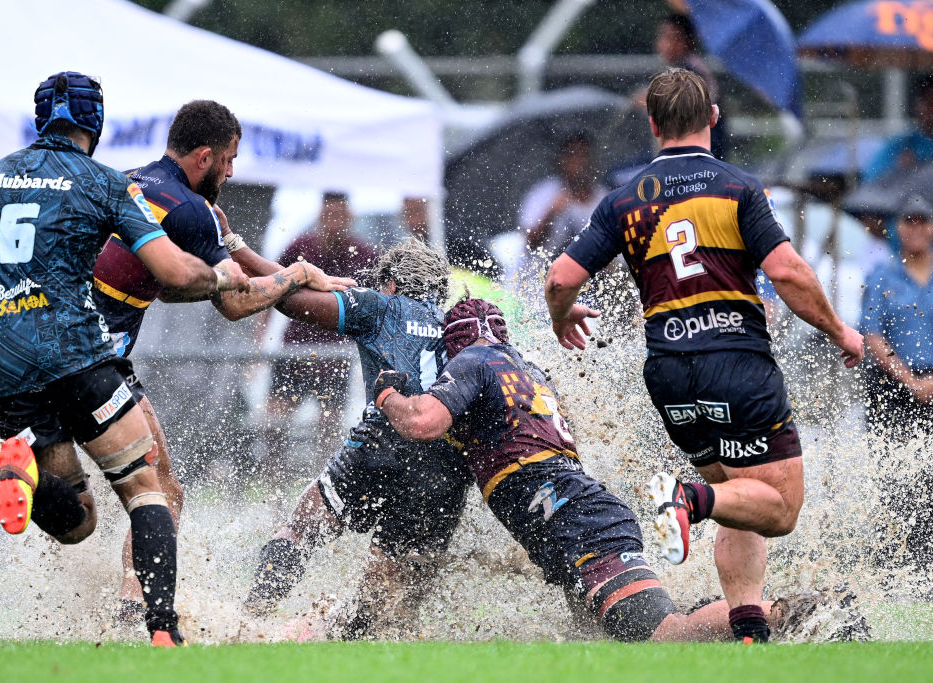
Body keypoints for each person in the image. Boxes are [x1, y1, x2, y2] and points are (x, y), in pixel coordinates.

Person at [0, 72, 255, 646]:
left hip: (6, 376)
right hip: (79, 360)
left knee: (78, 520)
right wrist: (218, 275)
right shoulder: (104, 184)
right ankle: (162, 630)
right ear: (95, 123)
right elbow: (174, 274)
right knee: (147, 488)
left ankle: (27, 471)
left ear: (40, 116)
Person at [544, 68, 864, 643]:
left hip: (668, 374)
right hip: (734, 363)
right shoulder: (739, 188)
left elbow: (560, 277)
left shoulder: (625, 201)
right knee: (779, 506)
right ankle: (687, 497)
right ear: (713, 119)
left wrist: (561, 315)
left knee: (737, 496)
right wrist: (840, 330)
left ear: (652, 125)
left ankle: (747, 629)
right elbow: (787, 270)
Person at [374, 298, 868, 642]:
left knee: (660, 637)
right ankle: (751, 616)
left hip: (581, 523)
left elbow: (422, 422)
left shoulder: (474, 360)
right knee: (607, 645)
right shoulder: (527, 369)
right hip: (574, 517)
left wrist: (388, 394)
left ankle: (802, 611)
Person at [91, 99, 354, 618]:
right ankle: (132, 612)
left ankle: (31, 466)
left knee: (107, 493)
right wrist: (299, 274)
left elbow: (177, 282)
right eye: (230, 160)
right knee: (163, 491)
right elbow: (234, 302)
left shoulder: (127, 182)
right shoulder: (187, 208)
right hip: (99, 366)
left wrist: (247, 249)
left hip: (61, 352)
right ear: (205, 157)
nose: (232, 172)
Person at [240, 239, 470, 640]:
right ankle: (348, 645)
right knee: (387, 603)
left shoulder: (380, 305)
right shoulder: (463, 328)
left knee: (299, 530)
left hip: (381, 442)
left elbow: (287, 301)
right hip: (446, 468)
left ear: (392, 283)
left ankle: (249, 622)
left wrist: (235, 250)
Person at [262, 192, 379, 469]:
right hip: (295, 350)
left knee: (328, 427)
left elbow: (378, 301)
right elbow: (268, 287)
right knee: (274, 421)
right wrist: (260, 338)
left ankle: (322, 479)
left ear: (350, 219)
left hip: (335, 355)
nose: (335, 223)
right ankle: (271, 476)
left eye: (340, 216)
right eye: (330, 216)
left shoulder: (364, 254)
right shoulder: (300, 248)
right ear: (320, 217)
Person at [861, 194, 933, 569]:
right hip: (892, 387)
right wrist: (909, 380)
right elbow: (872, 335)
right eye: (909, 221)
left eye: (923, 220)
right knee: (896, 479)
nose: (916, 228)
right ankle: (897, 562)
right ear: (897, 227)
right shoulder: (882, 275)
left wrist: (930, 383)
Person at [513, 133, 608, 289]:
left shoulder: (603, 198)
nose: (579, 163)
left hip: (590, 290)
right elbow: (530, 243)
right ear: (561, 161)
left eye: (584, 156)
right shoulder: (543, 193)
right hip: (541, 291)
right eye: (572, 156)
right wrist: (551, 212)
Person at [654, 12, 727, 160]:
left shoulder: (687, 71)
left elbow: (681, 112)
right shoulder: (691, 66)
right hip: (704, 153)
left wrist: (651, 101)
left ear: (685, 41)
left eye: (668, 37)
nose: (662, 43)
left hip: (695, 155)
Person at [864, 76, 933, 184]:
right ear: (918, 106)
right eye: (929, 102)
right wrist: (900, 171)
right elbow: (871, 186)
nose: (931, 109)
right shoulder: (900, 147)